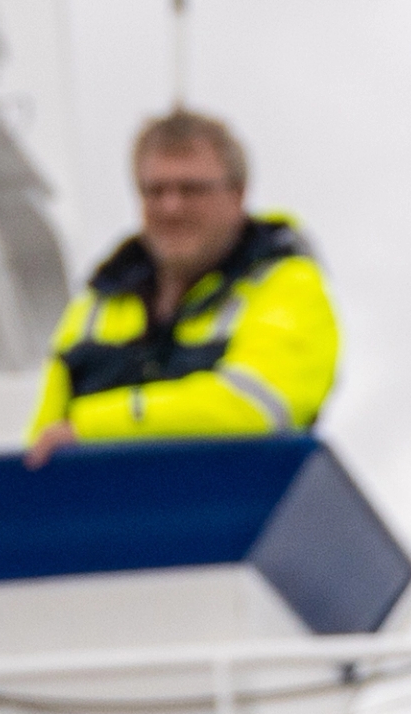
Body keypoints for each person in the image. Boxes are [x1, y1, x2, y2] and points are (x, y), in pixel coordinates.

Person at [25, 110, 338, 458]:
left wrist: (92, 426)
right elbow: (43, 443)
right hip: (101, 496)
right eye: (154, 191)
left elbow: (251, 409)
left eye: (191, 190)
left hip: (235, 493)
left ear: (238, 194)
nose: (171, 207)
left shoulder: (288, 286)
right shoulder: (95, 304)